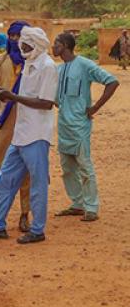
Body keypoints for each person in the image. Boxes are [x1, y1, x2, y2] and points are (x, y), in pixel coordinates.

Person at [0, 26, 58, 244]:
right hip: (20, 133)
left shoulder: (47, 66)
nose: (21, 46)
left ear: (37, 45)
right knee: (5, 181)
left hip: (37, 135)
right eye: (21, 43)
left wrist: (13, 97)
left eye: (26, 43)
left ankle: (37, 230)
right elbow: (23, 96)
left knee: (37, 184)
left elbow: (46, 103)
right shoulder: (29, 62)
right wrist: (5, 95)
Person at [52, 32, 119, 222]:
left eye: (56, 44)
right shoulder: (59, 69)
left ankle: (91, 207)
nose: (53, 47)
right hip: (64, 125)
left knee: (84, 166)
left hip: (80, 125)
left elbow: (112, 82)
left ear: (64, 45)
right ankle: (77, 204)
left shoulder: (85, 65)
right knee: (67, 168)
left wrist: (95, 107)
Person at [0, 21, 33, 232]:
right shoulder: (2, 60)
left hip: (27, 122)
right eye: (12, 36)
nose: (15, 40)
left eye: (19, 36)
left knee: (27, 170)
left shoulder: (32, 62)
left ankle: (25, 214)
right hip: (7, 121)